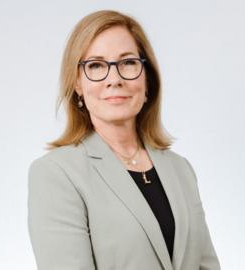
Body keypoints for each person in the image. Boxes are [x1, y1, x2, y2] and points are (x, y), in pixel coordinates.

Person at [27, 10, 220, 270]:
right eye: (96, 65)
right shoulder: (56, 174)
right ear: (77, 84)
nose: (114, 79)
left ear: (147, 78)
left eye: (128, 62)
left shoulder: (180, 169)